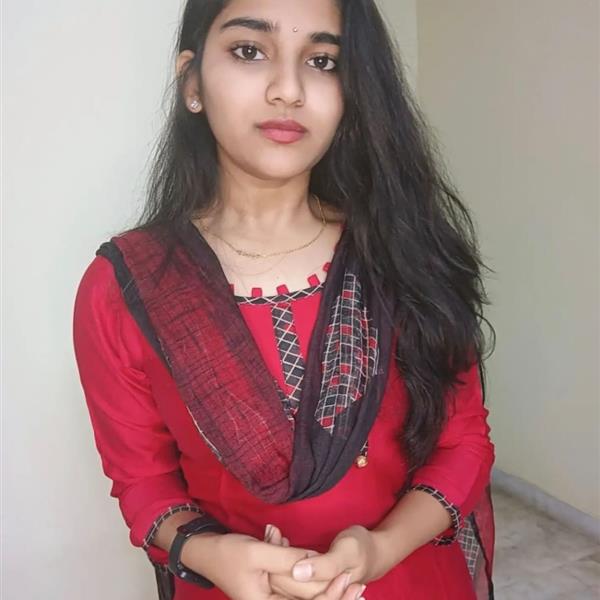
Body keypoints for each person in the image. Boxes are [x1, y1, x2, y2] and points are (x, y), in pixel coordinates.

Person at [72, 0, 497, 598]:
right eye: (249, 51)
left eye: (322, 61)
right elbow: (144, 483)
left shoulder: (402, 255)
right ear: (192, 82)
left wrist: (379, 549)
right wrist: (212, 553)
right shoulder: (127, 286)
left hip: (407, 578)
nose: (289, 90)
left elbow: (463, 443)